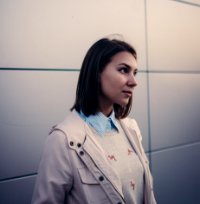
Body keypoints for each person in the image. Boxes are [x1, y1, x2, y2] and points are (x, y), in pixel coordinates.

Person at [32, 37, 156, 204]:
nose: (134, 82)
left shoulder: (131, 128)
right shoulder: (62, 140)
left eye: (134, 72)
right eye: (123, 70)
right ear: (97, 73)